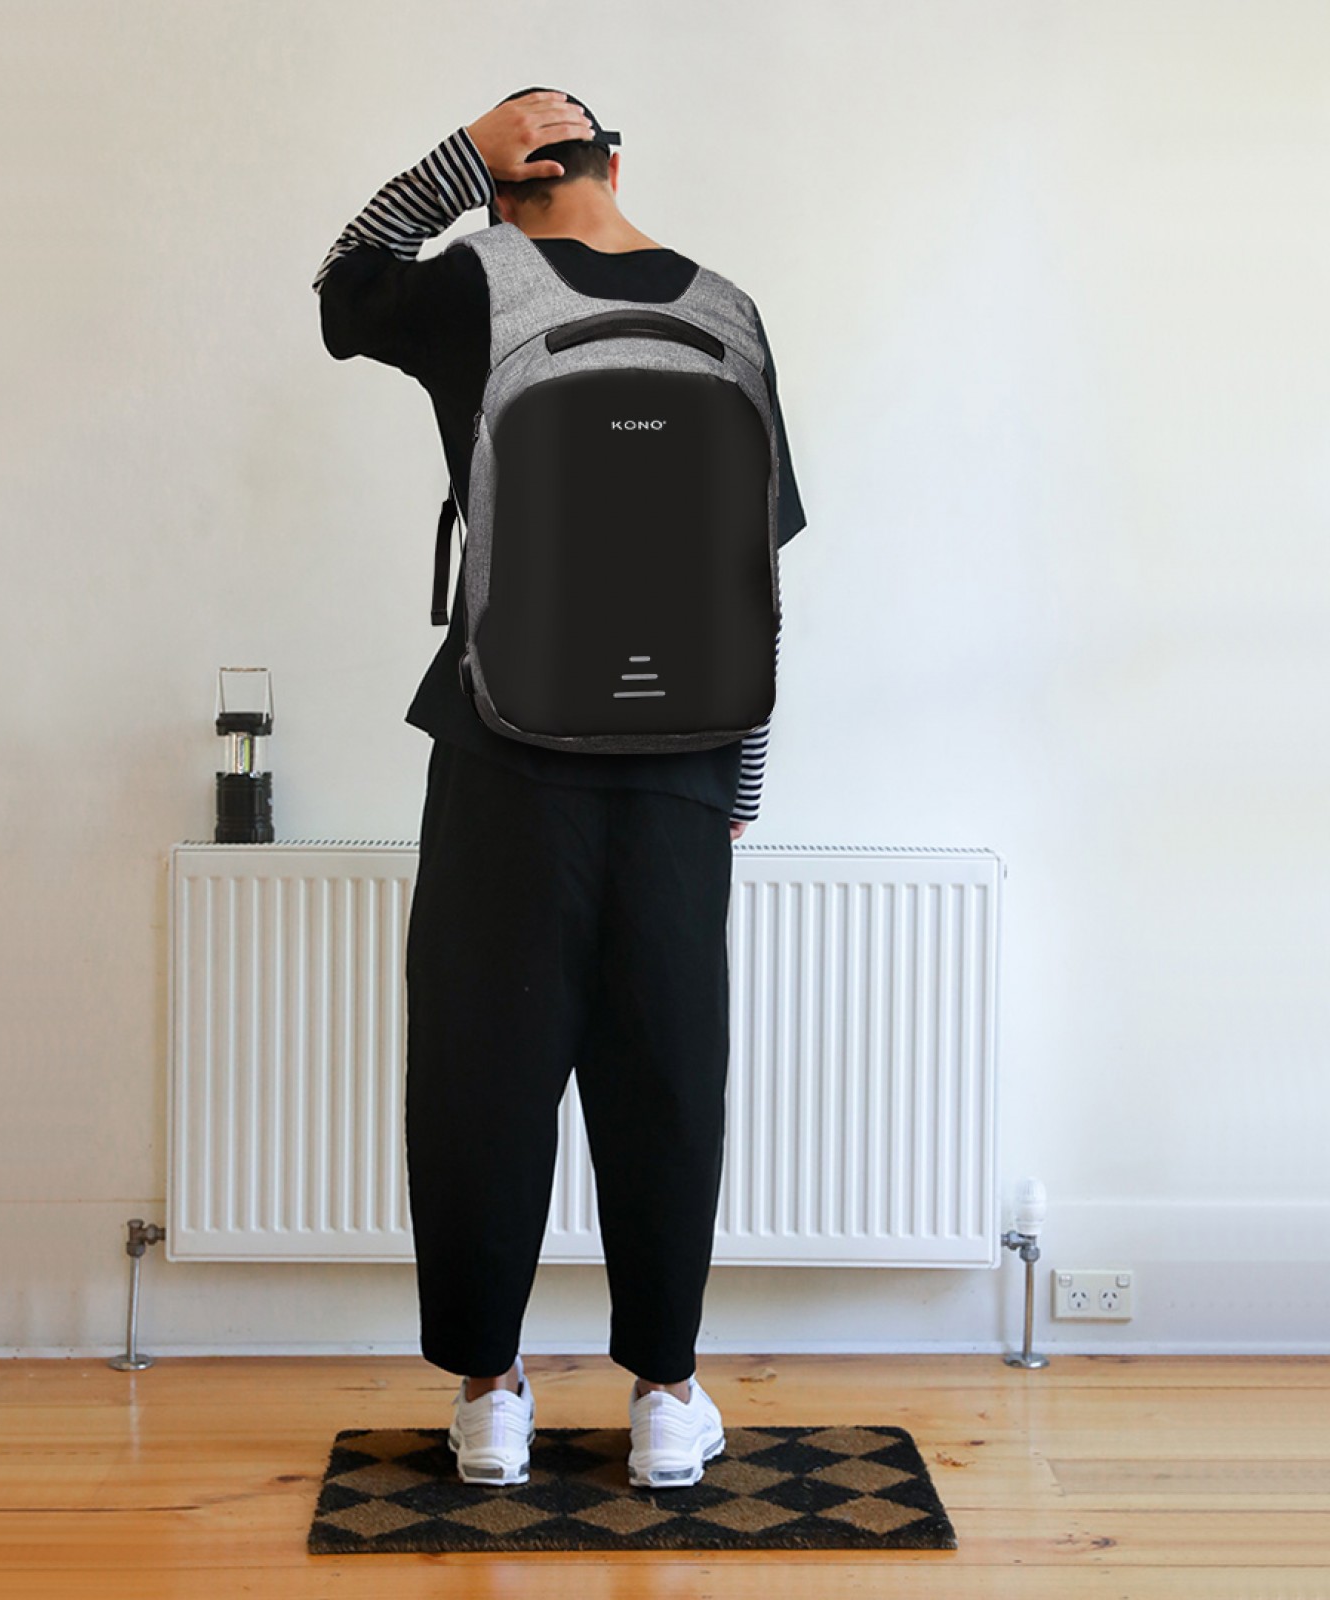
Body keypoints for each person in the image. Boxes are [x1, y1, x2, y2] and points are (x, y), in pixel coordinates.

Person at [312, 87, 805, 1489]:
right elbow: (757, 566)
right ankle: (667, 1397)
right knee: (669, 1075)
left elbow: (346, 289)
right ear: (615, 164)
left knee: (486, 1067)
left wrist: (456, 159)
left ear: (497, 182)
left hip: (502, 744)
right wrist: (739, 775)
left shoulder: (474, 284)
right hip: (687, 758)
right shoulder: (729, 309)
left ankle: (491, 1394)